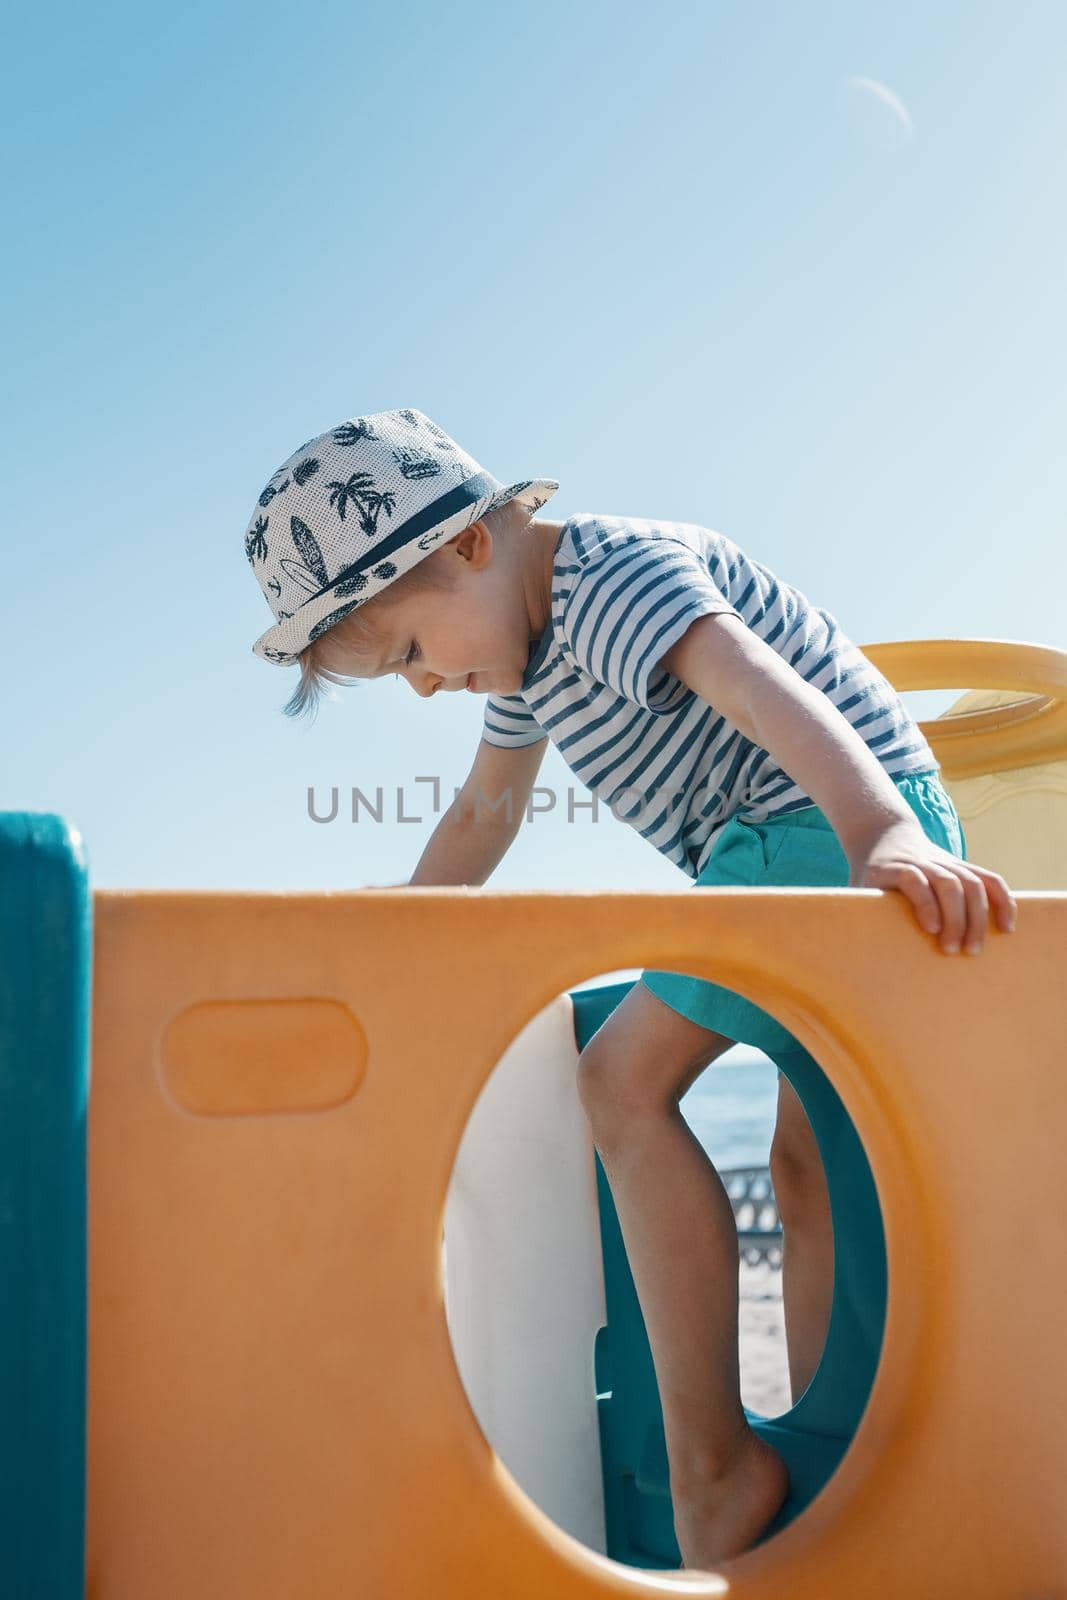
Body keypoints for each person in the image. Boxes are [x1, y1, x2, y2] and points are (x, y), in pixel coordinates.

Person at [242, 406, 1017, 1568]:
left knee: (618, 1083)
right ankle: (834, 1448)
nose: (421, 687)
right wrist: (393, 938)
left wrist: (879, 834)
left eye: (408, 651)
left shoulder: (607, 579)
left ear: (466, 547)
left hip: (810, 832)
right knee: (802, 1166)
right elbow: (484, 816)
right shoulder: (526, 658)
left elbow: (752, 682)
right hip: (784, 855)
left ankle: (714, 1465)